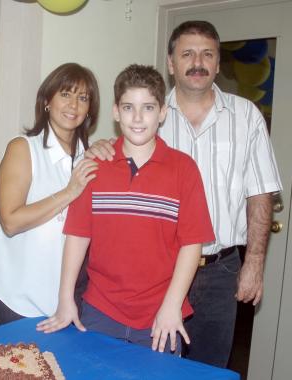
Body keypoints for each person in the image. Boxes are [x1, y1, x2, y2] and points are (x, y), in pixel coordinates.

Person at [84, 21, 283, 367]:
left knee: (208, 367)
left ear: (219, 64)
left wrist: (254, 263)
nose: (198, 62)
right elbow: (120, 162)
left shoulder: (246, 116)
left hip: (221, 271)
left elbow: (261, 193)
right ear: (171, 63)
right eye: (187, 53)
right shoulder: (150, 113)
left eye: (208, 54)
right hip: (159, 271)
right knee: (150, 367)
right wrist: (102, 147)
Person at [37, 64, 215, 355]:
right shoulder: (94, 167)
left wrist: (172, 306)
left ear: (162, 113)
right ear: (115, 112)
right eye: (128, 107)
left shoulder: (184, 170)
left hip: (161, 316)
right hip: (100, 312)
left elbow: (192, 244)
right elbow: (77, 236)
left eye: (148, 107)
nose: (137, 117)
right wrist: (65, 298)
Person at [0, 63, 100, 325]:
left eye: (82, 98)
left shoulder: (90, 154)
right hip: (20, 296)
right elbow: (11, 222)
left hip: (71, 295)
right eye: (65, 94)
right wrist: (69, 192)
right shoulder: (23, 148)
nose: (73, 105)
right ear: (47, 100)